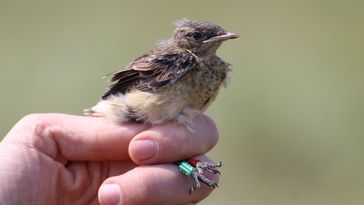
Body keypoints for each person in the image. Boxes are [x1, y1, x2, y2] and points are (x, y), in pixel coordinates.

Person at [0, 113, 219, 205]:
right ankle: (189, 168)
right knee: (157, 147)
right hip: (136, 117)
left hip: (149, 133)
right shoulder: (181, 62)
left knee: (164, 150)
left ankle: (189, 168)